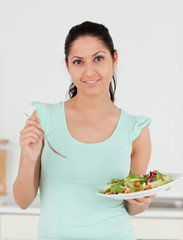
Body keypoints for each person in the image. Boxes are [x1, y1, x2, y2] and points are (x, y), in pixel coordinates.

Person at [13, 21, 156, 240]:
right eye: (78, 61)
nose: (89, 71)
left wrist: (141, 201)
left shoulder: (136, 129)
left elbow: (131, 208)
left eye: (98, 58)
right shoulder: (44, 119)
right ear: (68, 66)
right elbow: (23, 202)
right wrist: (28, 160)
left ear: (114, 59)